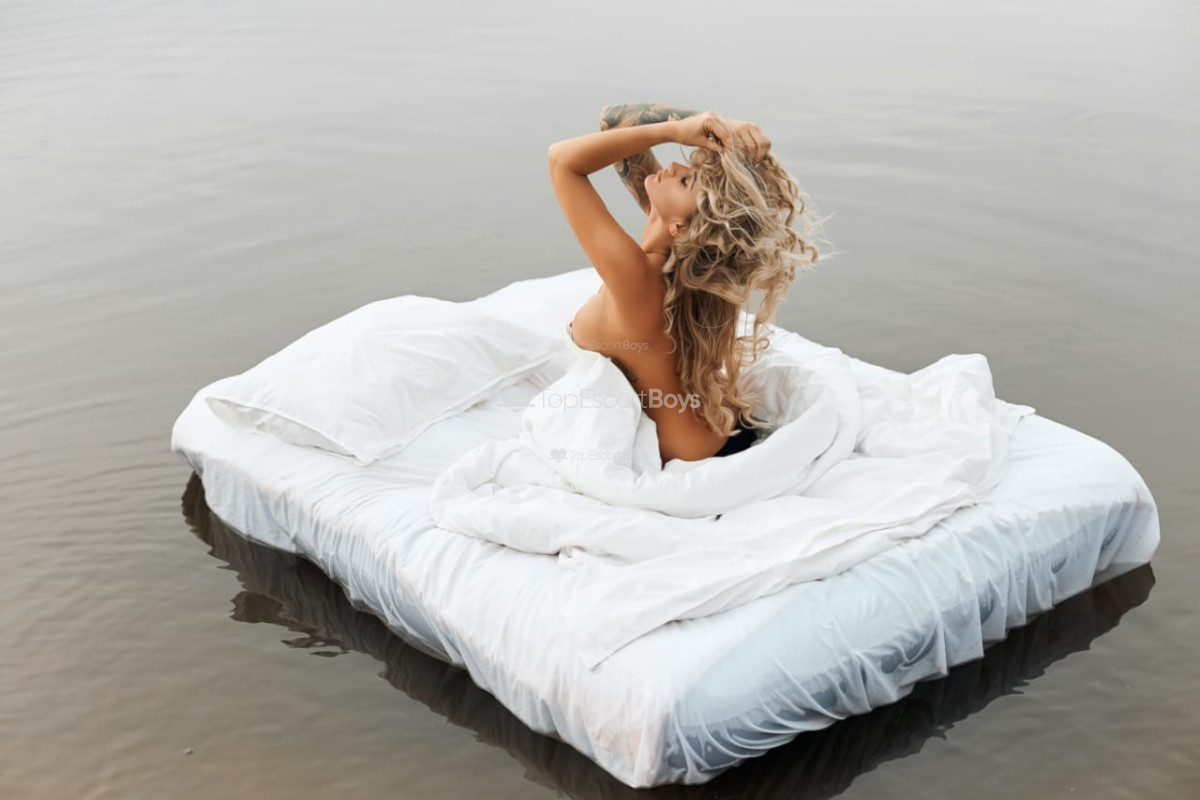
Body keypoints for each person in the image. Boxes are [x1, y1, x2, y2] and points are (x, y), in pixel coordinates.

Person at [548, 102, 824, 463]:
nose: (674, 167)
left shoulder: (639, 278)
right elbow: (615, 120)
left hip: (702, 456)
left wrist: (672, 131)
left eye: (685, 181)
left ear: (680, 227)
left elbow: (561, 162)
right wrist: (714, 125)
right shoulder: (678, 251)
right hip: (716, 429)